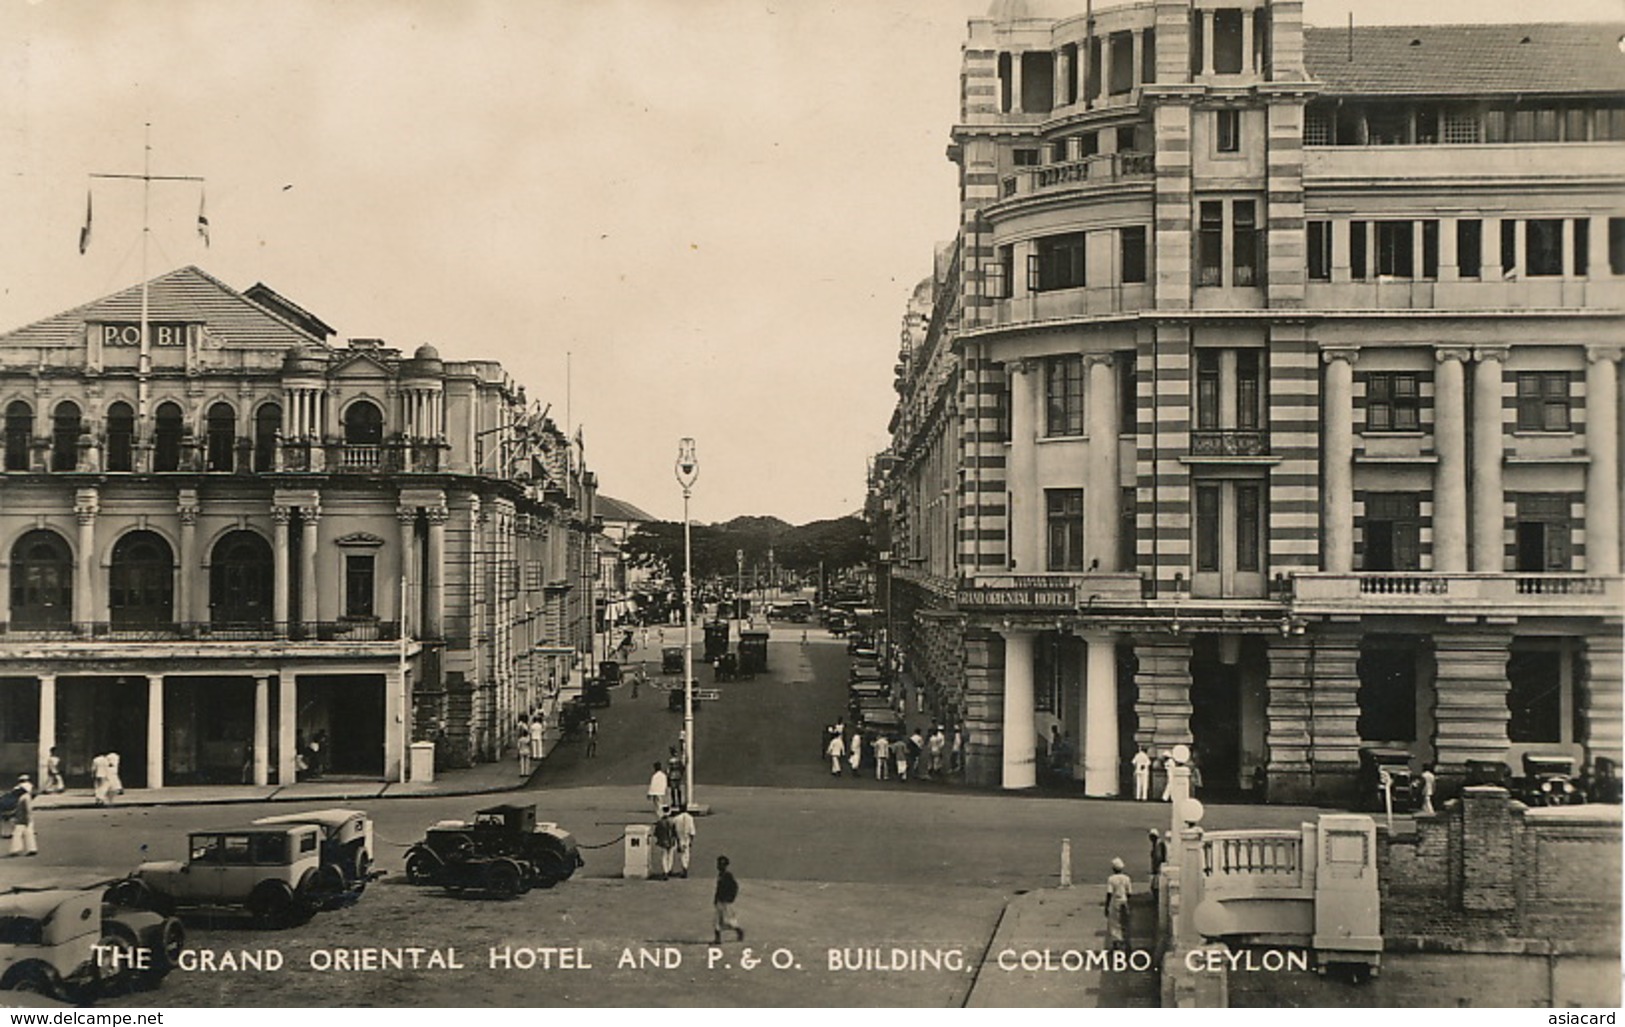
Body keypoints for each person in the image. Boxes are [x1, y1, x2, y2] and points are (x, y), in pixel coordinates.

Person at [712, 855, 744, 944]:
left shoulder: (727, 875)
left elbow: (734, 887)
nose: (718, 866)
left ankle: (738, 930)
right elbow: (718, 888)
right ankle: (717, 939)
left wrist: (730, 897)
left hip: (725, 901)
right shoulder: (720, 875)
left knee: (728, 921)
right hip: (720, 900)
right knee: (716, 920)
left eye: (720, 865)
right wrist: (716, 898)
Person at [1104, 857, 1132, 952]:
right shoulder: (1126, 878)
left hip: (1115, 902)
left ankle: (1117, 943)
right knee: (1125, 922)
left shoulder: (1111, 879)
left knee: (1114, 923)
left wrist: (1106, 906)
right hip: (1124, 901)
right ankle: (1126, 942)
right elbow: (1129, 893)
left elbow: (1109, 893)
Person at [7, 777, 36, 857]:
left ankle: (15, 849)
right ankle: (32, 848)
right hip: (25, 818)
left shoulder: (23, 798)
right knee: (29, 833)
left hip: (22, 819)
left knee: (17, 834)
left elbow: (27, 810)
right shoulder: (26, 797)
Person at [671, 805, 697, 878]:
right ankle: (685, 867)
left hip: (679, 837)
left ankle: (669, 869)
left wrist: (675, 839)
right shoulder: (690, 818)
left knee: (678, 853)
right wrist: (691, 841)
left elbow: (674, 830)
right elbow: (692, 832)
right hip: (687, 837)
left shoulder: (676, 818)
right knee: (686, 854)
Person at [653, 811, 678, 880]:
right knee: (670, 855)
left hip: (663, 841)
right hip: (671, 841)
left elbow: (656, 833)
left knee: (664, 856)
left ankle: (665, 870)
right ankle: (669, 869)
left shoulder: (660, 822)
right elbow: (674, 832)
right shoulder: (672, 822)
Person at [1148, 828, 1167, 893]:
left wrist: (1156, 868)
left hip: (1157, 868)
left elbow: (1158, 857)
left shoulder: (1158, 844)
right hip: (1156, 867)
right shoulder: (1156, 844)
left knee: (1155, 886)